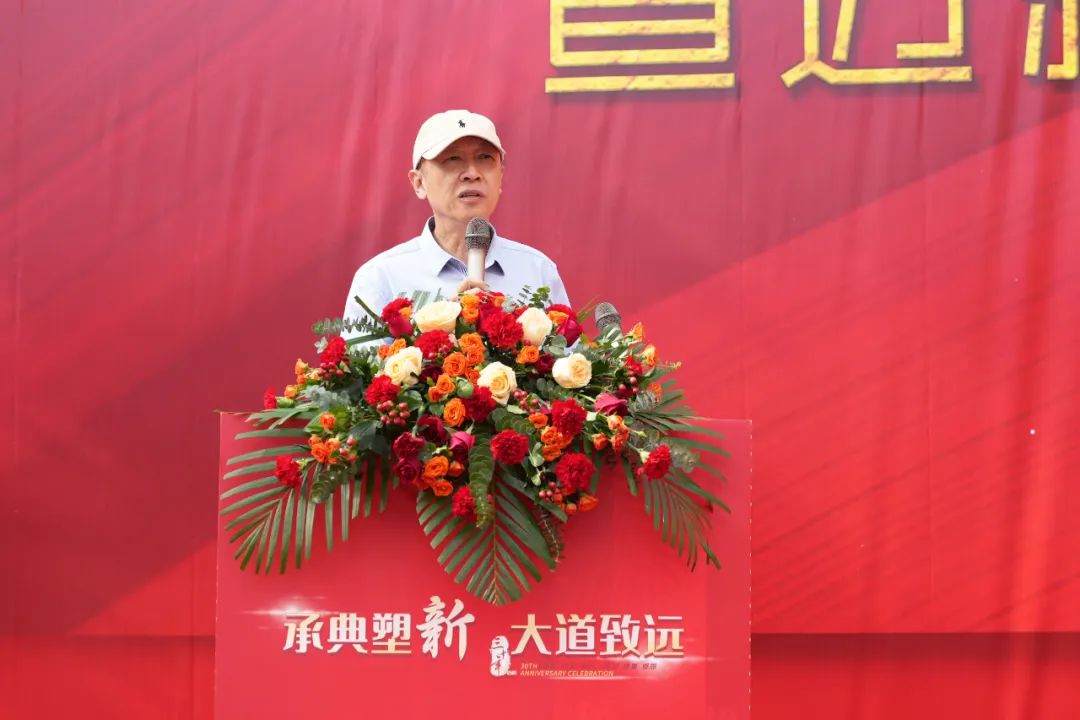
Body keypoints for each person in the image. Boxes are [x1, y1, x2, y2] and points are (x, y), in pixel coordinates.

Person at [342, 110, 571, 339]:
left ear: (500, 176)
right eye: (452, 159)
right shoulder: (381, 277)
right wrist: (446, 334)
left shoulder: (538, 271)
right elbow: (362, 363)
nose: (472, 174)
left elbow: (572, 356)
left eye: (485, 158)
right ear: (419, 182)